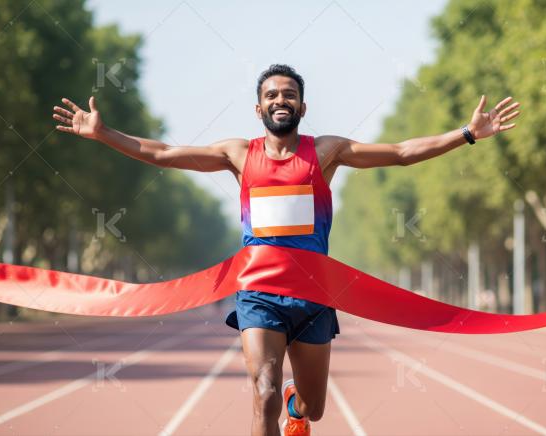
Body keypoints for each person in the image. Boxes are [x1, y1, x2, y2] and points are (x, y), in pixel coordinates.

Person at [52, 64, 519, 436]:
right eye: (272, 95)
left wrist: (466, 133)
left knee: (313, 408)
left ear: (302, 105)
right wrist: (104, 133)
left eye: (289, 95)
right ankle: (280, 400)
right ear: (259, 108)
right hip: (259, 294)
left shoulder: (327, 151)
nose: (281, 100)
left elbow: (399, 153)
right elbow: (163, 155)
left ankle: (299, 406)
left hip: (313, 296)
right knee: (264, 391)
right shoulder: (238, 154)